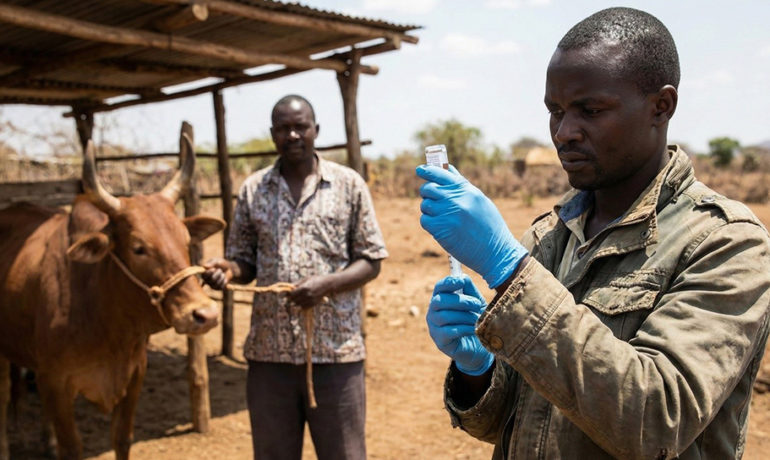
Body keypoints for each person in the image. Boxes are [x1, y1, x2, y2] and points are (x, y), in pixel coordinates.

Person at [417, 7, 770, 459]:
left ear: (661, 107)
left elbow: (656, 420)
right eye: (556, 111)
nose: (563, 133)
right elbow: (515, 418)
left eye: (590, 110)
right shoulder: (552, 237)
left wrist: (510, 272)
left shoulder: (725, 243)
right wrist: (478, 369)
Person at [202, 94, 387, 460]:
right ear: (273, 134)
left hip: (336, 353)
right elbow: (243, 261)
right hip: (269, 355)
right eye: (283, 128)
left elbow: (371, 259)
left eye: (300, 126)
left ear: (315, 130)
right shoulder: (254, 189)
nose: (292, 135)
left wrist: (326, 285)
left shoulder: (349, 185)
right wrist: (227, 270)